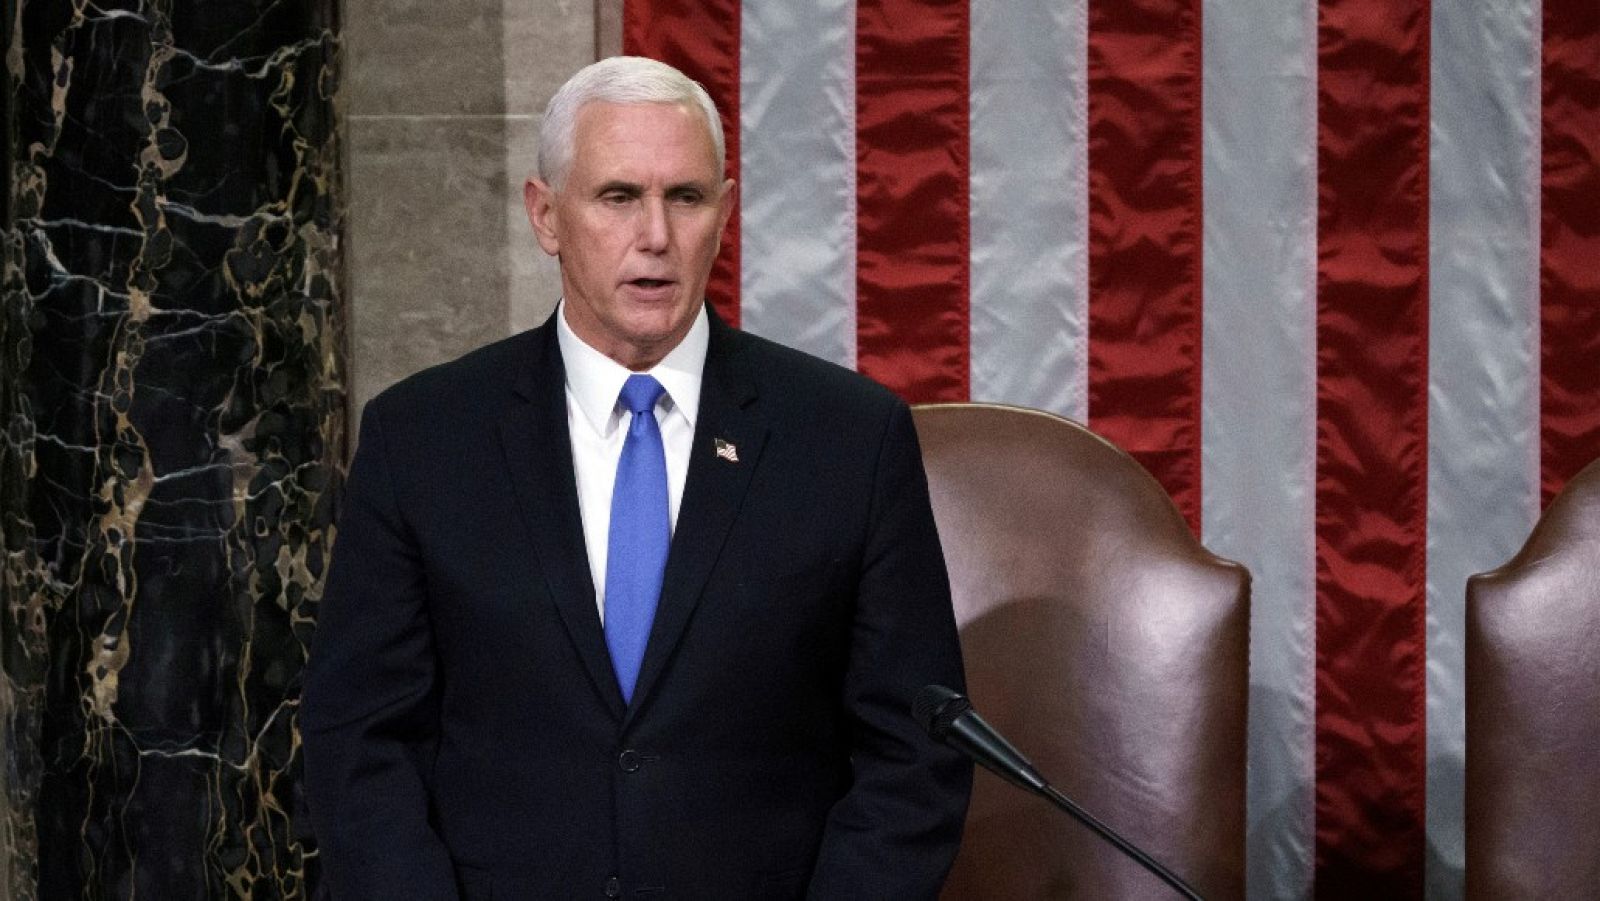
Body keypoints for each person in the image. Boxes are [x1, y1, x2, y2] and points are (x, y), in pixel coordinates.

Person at [302, 56, 971, 900]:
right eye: (618, 196)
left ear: (723, 218)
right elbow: (360, 736)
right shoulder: (424, 439)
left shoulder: (848, 440)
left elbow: (914, 752)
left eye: (685, 197)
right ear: (545, 215)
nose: (655, 234)